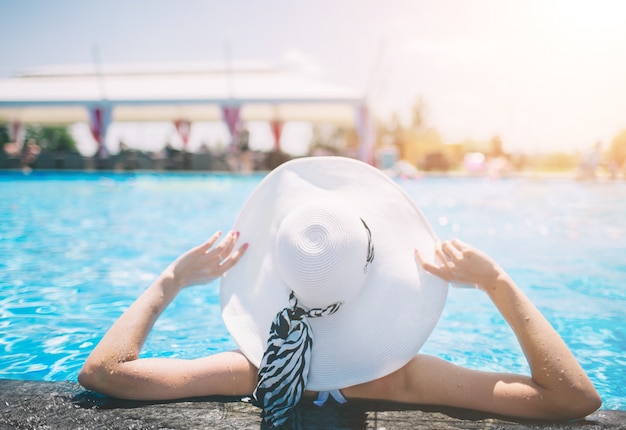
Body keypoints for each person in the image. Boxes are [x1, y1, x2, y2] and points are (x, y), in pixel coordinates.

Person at [79, 157, 600, 427]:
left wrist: (172, 280)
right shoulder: (406, 378)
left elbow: (105, 372)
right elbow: (571, 398)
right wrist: (498, 283)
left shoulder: (255, 369)